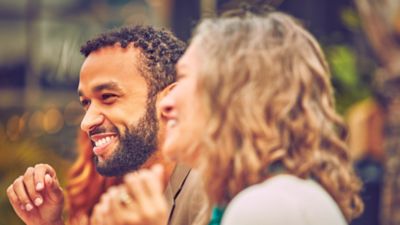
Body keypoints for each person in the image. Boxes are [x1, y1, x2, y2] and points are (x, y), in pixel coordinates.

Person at [92, 11, 364, 225]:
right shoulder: (268, 199)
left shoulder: (267, 207)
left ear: (235, 96)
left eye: (185, 78)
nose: (166, 103)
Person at [6, 25, 206, 225]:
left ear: (171, 99)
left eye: (108, 97)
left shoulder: (214, 190)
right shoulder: (129, 195)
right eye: (86, 103)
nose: (86, 123)